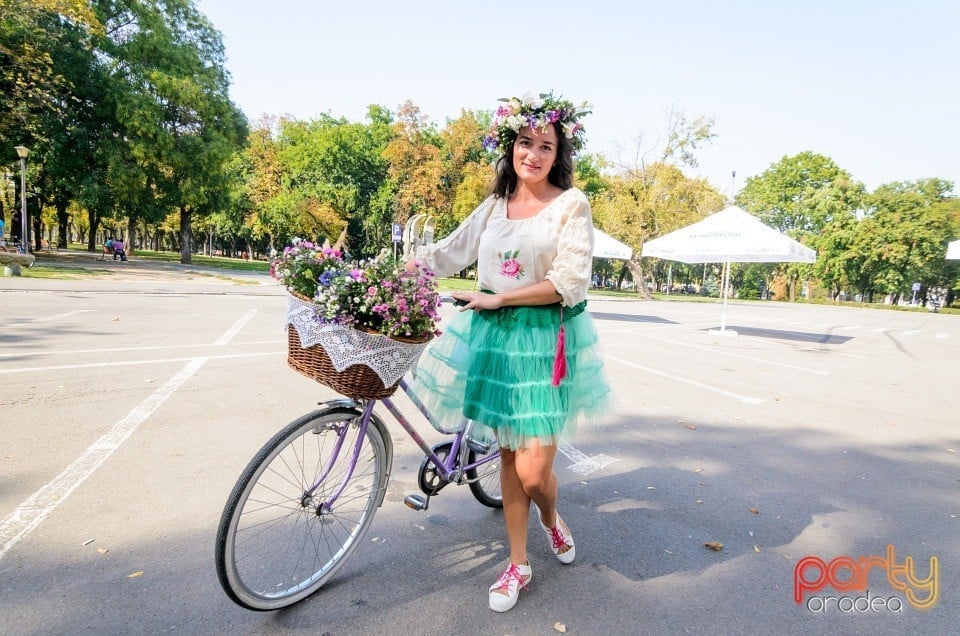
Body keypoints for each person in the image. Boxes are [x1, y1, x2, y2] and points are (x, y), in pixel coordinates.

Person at [406, 92, 610, 612]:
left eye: (546, 145)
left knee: (535, 472)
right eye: (525, 142)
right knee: (511, 456)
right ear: (511, 147)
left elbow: (568, 281)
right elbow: (449, 251)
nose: (534, 155)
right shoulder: (495, 206)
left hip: (546, 340)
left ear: (558, 153)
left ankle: (549, 519)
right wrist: (397, 272)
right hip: (494, 339)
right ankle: (519, 562)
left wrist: (498, 296)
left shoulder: (572, 204)